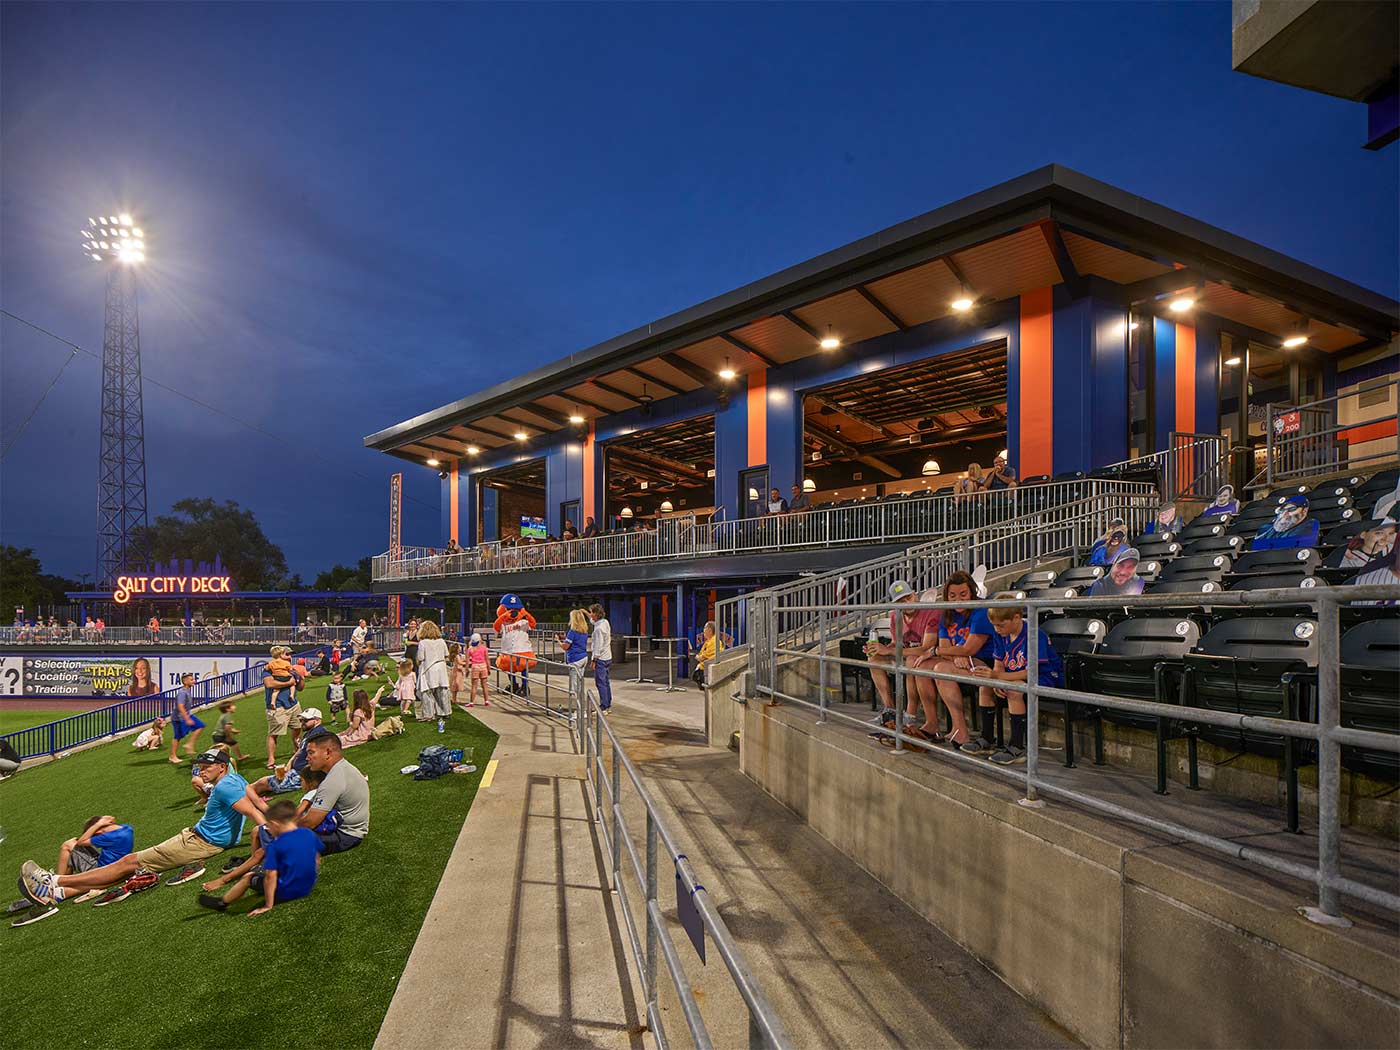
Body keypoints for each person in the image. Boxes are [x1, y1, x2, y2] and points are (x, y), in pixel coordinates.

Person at [18, 749, 261, 907]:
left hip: (200, 842)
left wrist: (269, 833)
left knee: (128, 863)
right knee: (126, 868)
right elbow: (256, 802)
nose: (201, 771)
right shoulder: (235, 779)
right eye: (199, 766)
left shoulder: (223, 787)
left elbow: (252, 812)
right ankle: (58, 893)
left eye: (206, 767)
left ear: (221, 767)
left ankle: (54, 881)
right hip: (201, 839)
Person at [198, 799, 322, 915]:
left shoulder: (276, 846)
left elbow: (270, 877)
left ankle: (222, 903)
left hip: (289, 891)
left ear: (275, 824)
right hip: (308, 885)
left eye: (268, 827)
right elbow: (316, 858)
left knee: (248, 877)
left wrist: (268, 905)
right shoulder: (308, 834)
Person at [975, 606, 1064, 766]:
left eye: (1000, 625)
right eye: (994, 625)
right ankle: (986, 739)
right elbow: (999, 665)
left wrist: (998, 677)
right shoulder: (1000, 634)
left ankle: (1017, 747)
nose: (996, 629)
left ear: (1016, 618)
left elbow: (1031, 672)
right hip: (1014, 676)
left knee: (1015, 690)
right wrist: (995, 681)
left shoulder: (1034, 635)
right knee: (985, 686)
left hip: (1046, 678)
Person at [865, 581, 944, 744]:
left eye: (908, 597)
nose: (906, 603)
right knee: (873, 658)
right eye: (901, 601)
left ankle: (910, 716)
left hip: (929, 656)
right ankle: (891, 711)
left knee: (911, 660)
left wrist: (891, 651)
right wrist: (882, 648)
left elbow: (926, 648)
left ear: (915, 594)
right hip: (907, 654)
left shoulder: (931, 611)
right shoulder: (896, 615)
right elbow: (897, 643)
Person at [931, 571, 998, 752]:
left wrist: (940, 651)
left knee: (940, 668)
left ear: (972, 593)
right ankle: (959, 729)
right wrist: (956, 655)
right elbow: (949, 648)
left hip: (990, 661)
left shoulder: (981, 611)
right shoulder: (946, 614)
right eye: (952, 596)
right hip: (962, 660)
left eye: (963, 594)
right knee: (934, 667)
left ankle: (961, 729)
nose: (958, 600)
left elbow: (970, 649)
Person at [299, 732, 369, 855]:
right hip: (353, 829)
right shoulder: (344, 767)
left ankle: (261, 871)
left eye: (311, 752)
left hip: (345, 835)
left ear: (327, 752)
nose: (307, 758)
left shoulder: (332, 781)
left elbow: (309, 823)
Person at [244, 708, 324, 808]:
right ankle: (245, 797)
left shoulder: (319, 736)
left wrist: (306, 777)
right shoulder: (310, 733)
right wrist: (290, 763)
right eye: (301, 720)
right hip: (296, 771)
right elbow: (300, 750)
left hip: (302, 776)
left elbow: (319, 760)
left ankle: (238, 799)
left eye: (306, 720)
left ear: (317, 720)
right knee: (261, 783)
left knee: (262, 783)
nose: (302, 723)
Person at [262, 645, 302, 767]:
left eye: (291, 655)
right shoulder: (270, 668)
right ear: (280, 655)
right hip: (277, 707)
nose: (290, 657)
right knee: (274, 733)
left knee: (298, 727)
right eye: (287, 655)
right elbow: (269, 684)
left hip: (293, 704)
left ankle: (297, 749)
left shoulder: (291, 669)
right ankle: (271, 759)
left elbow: (300, 687)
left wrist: (300, 677)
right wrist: (289, 682)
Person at [416, 619, 452, 732]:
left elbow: (421, 657)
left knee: (427, 693)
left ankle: (429, 714)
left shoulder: (423, 643)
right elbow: (447, 655)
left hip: (428, 668)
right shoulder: (441, 641)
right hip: (441, 668)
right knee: (442, 692)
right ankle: (445, 712)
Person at [1250, 493, 1319, 550]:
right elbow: (1257, 550)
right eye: (1282, 510)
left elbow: (1297, 548)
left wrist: (1270, 544)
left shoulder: (1311, 524)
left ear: (1304, 511)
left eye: (1291, 509)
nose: (1284, 514)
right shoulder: (1265, 528)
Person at [168, 673, 206, 764]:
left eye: (193, 679)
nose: (194, 681)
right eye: (191, 679)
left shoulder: (187, 690)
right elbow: (180, 707)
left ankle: (189, 744)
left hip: (186, 715)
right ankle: (172, 756)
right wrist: (187, 719)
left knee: (200, 725)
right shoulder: (182, 693)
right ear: (185, 682)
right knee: (178, 736)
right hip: (178, 718)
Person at [558, 610, 590, 705]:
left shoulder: (572, 631)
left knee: (575, 688)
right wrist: (565, 638)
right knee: (580, 685)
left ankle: (580, 709)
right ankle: (583, 706)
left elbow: (565, 647)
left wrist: (558, 641)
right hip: (583, 657)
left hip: (575, 660)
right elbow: (575, 642)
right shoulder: (584, 631)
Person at [588, 603, 613, 711]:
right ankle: (608, 703)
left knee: (600, 682)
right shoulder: (605, 622)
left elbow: (597, 646)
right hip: (608, 656)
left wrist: (594, 660)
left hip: (601, 659)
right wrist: (586, 613)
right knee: (606, 682)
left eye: (591, 612)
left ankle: (604, 705)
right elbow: (593, 621)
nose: (590, 615)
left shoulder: (598, 629)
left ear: (595, 614)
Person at [691, 620, 725, 686]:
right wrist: (699, 657)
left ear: (710, 630)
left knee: (697, 676)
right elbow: (701, 654)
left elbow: (702, 657)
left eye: (704, 628)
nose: (703, 630)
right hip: (705, 666)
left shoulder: (713, 642)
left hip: (708, 667)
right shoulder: (708, 641)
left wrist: (699, 657)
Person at [465, 632, 490, 707]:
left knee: (474, 686)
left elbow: (467, 660)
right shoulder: (484, 648)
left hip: (475, 666)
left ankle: (471, 702)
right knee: (484, 685)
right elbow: (487, 659)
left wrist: (467, 669)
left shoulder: (470, 649)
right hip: (483, 666)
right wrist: (488, 668)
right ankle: (486, 701)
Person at [448, 642, 466, 707]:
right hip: (457, 672)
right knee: (455, 685)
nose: (461, 648)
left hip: (457, 671)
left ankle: (454, 698)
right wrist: (467, 663)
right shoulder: (457, 656)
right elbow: (460, 662)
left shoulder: (457, 655)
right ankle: (454, 699)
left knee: (455, 686)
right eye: (459, 647)